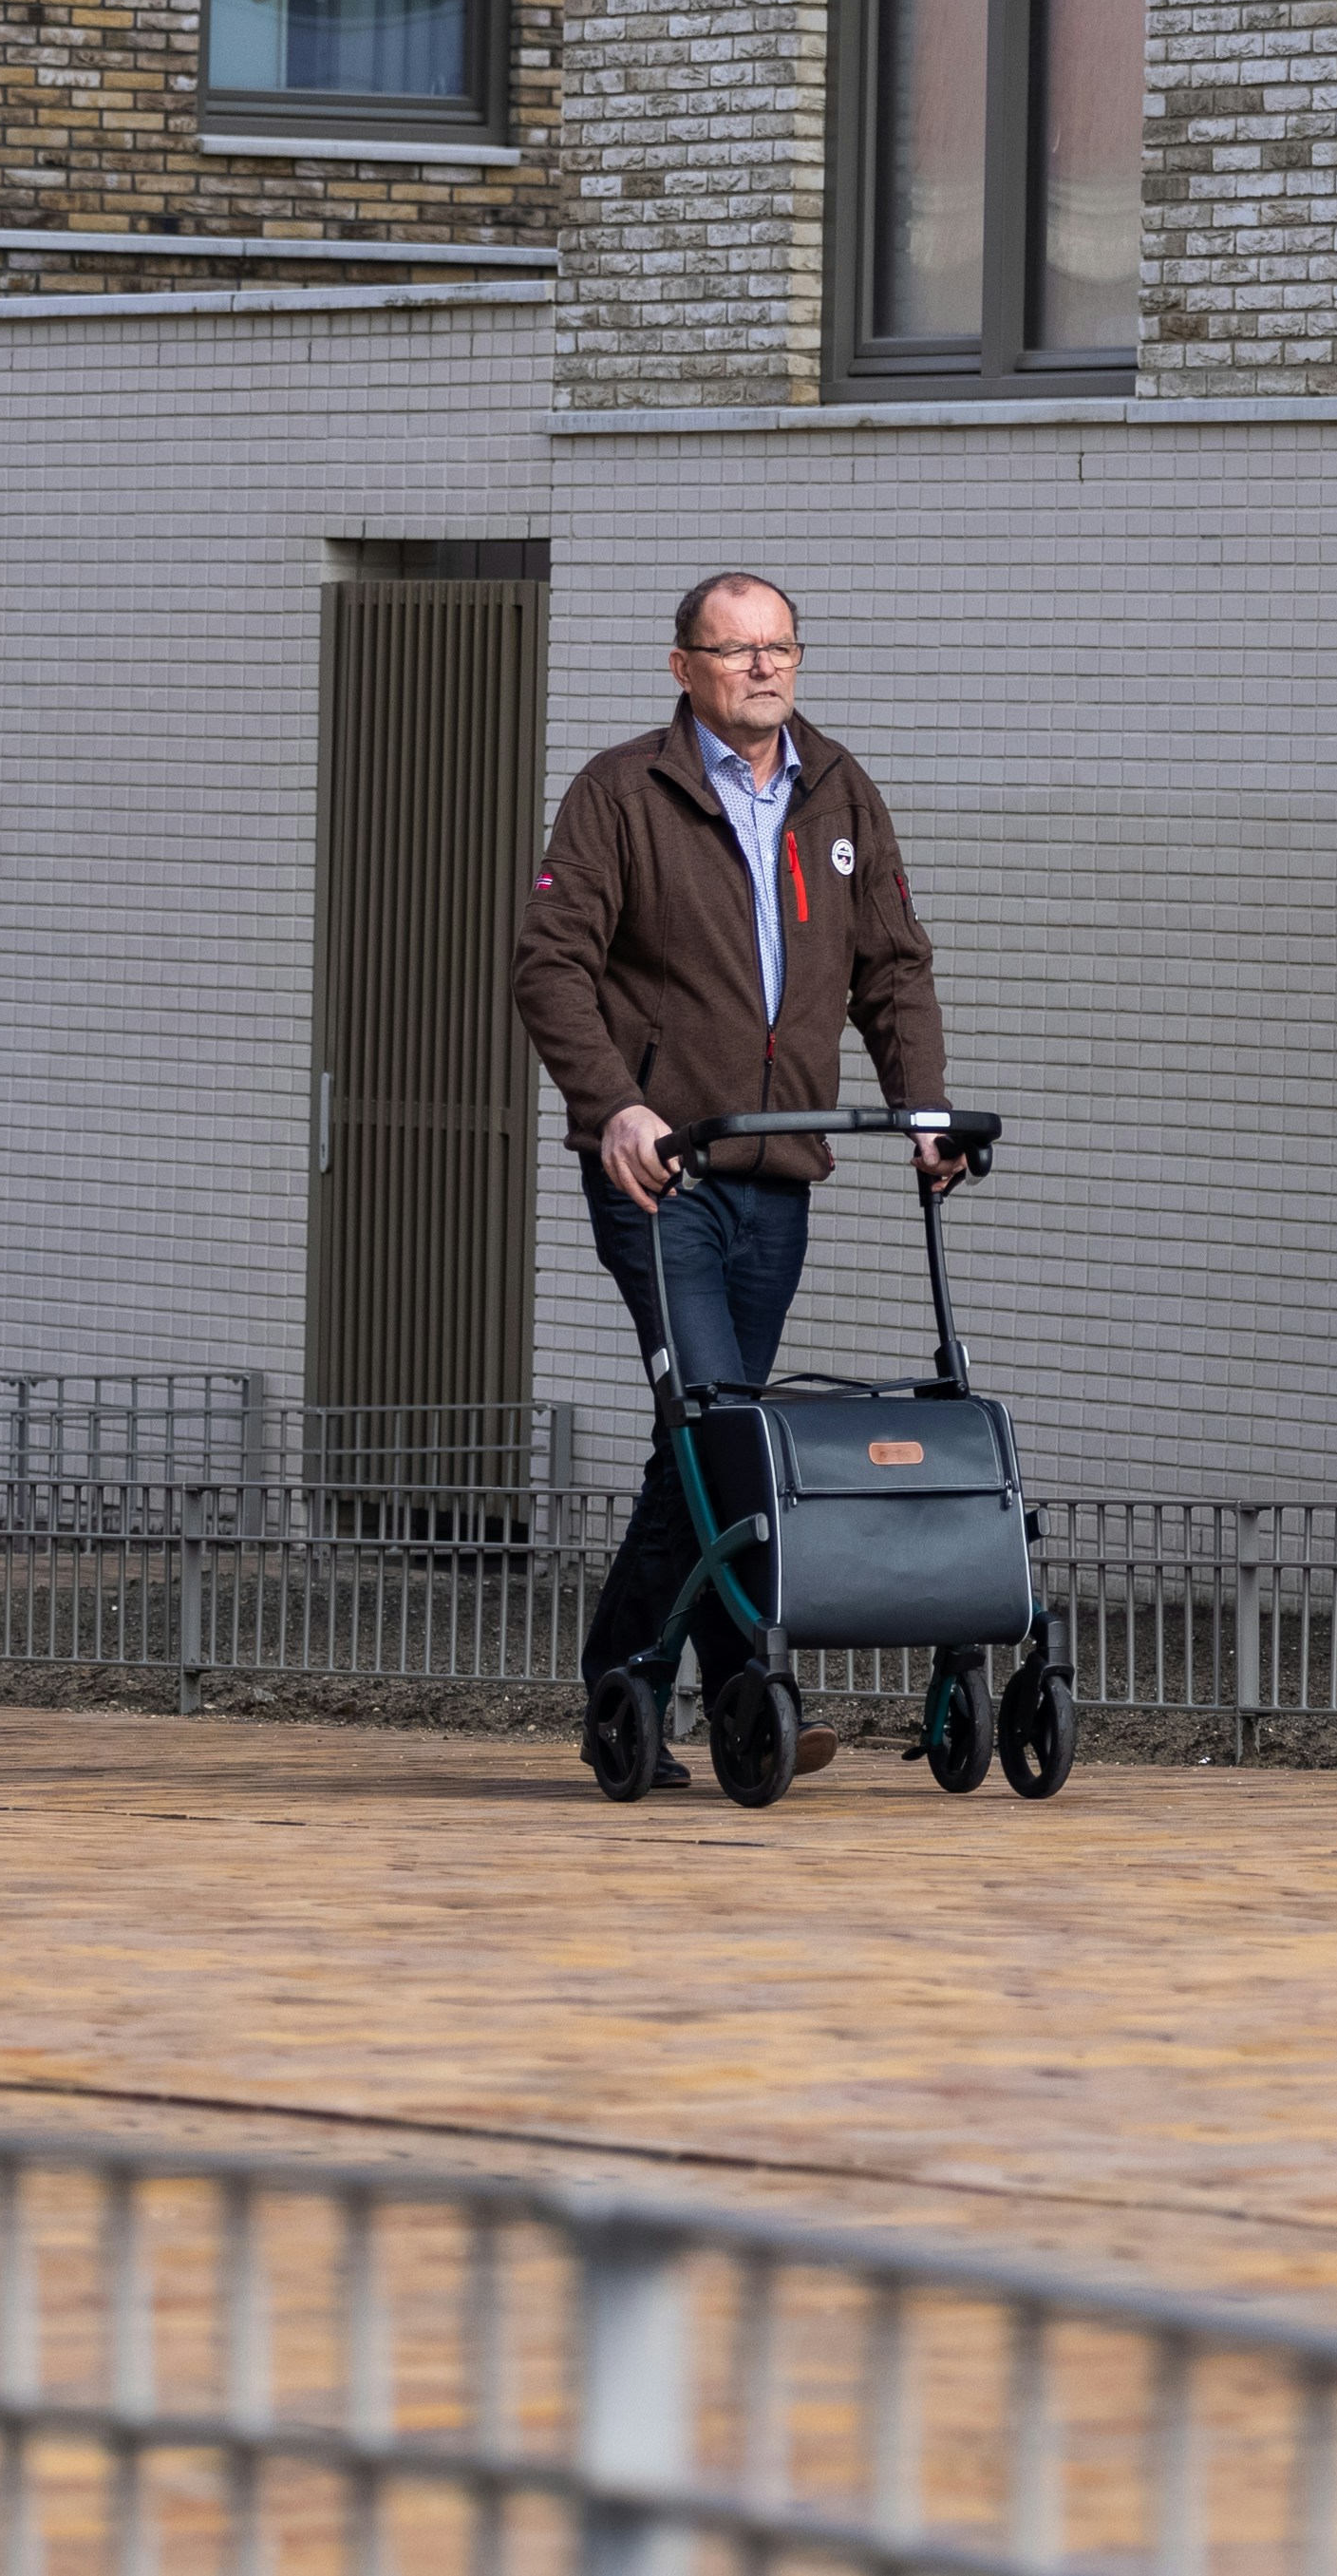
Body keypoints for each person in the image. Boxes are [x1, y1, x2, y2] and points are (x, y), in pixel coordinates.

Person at [513, 568, 956, 1785]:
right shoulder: (620, 792)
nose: (762, 667)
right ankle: (748, 1682)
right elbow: (549, 965)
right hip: (662, 1173)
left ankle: (627, 1684)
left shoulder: (837, 786)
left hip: (781, 1169)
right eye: (734, 649)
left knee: (709, 1434)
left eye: (780, 648)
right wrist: (615, 1106)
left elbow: (893, 968)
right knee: (719, 1426)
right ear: (682, 667)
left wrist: (921, 1103)